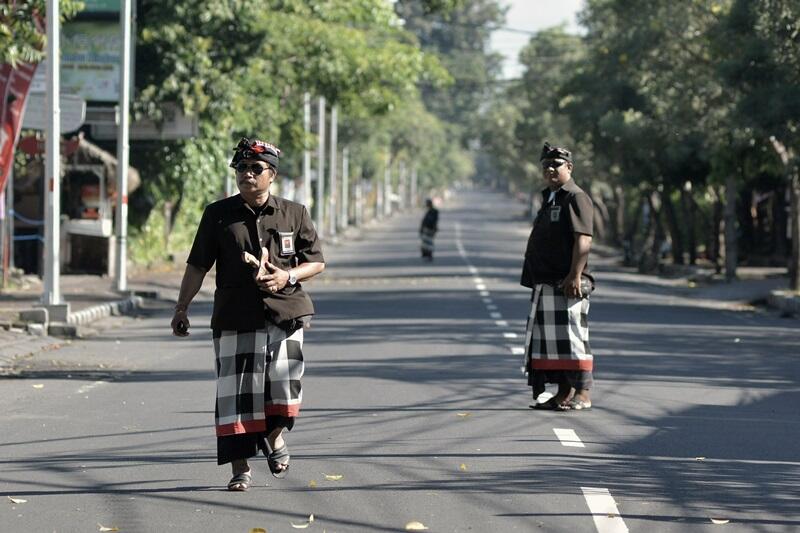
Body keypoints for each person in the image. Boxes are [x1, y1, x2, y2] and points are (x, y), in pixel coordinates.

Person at [171, 138, 325, 491]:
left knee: (284, 388)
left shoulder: (295, 212)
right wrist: (182, 307)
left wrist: (287, 276)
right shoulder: (217, 215)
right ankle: (240, 469)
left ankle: (274, 438)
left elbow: (316, 261)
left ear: (272, 175)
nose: (247, 175)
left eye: (256, 169)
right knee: (236, 396)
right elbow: (197, 266)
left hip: (285, 313)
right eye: (241, 169)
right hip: (235, 316)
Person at [520, 142, 595, 411]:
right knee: (555, 344)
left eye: (556, 165)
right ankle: (564, 393)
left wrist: (575, 275)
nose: (550, 169)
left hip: (568, 283)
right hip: (548, 282)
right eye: (546, 165)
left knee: (574, 339)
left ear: (570, 168)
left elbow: (583, 240)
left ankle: (583, 393)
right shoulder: (552, 197)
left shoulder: (576, 197)